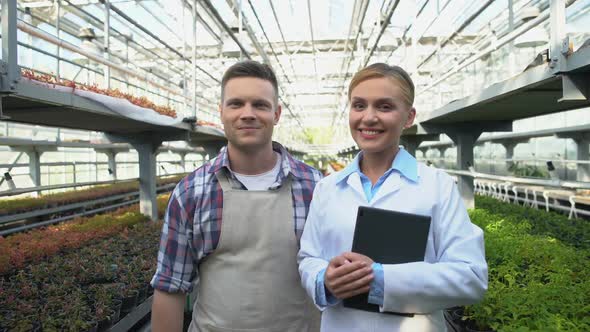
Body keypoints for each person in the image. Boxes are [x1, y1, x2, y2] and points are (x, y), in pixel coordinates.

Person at [298, 63, 488, 331]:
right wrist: (324, 279)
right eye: (359, 105)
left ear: (409, 117)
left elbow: (471, 277)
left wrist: (379, 278)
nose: (369, 117)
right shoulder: (327, 188)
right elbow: (308, 258)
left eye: (384, 107)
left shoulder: (438, 187)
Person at [151, 60, 323, 332]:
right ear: (221, 112)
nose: (248, 114)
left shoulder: (316, 188)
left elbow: (339, 278)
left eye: (260, 105)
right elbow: (170, 288)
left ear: (276, 114)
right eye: (236, 104)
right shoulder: (192, 192)